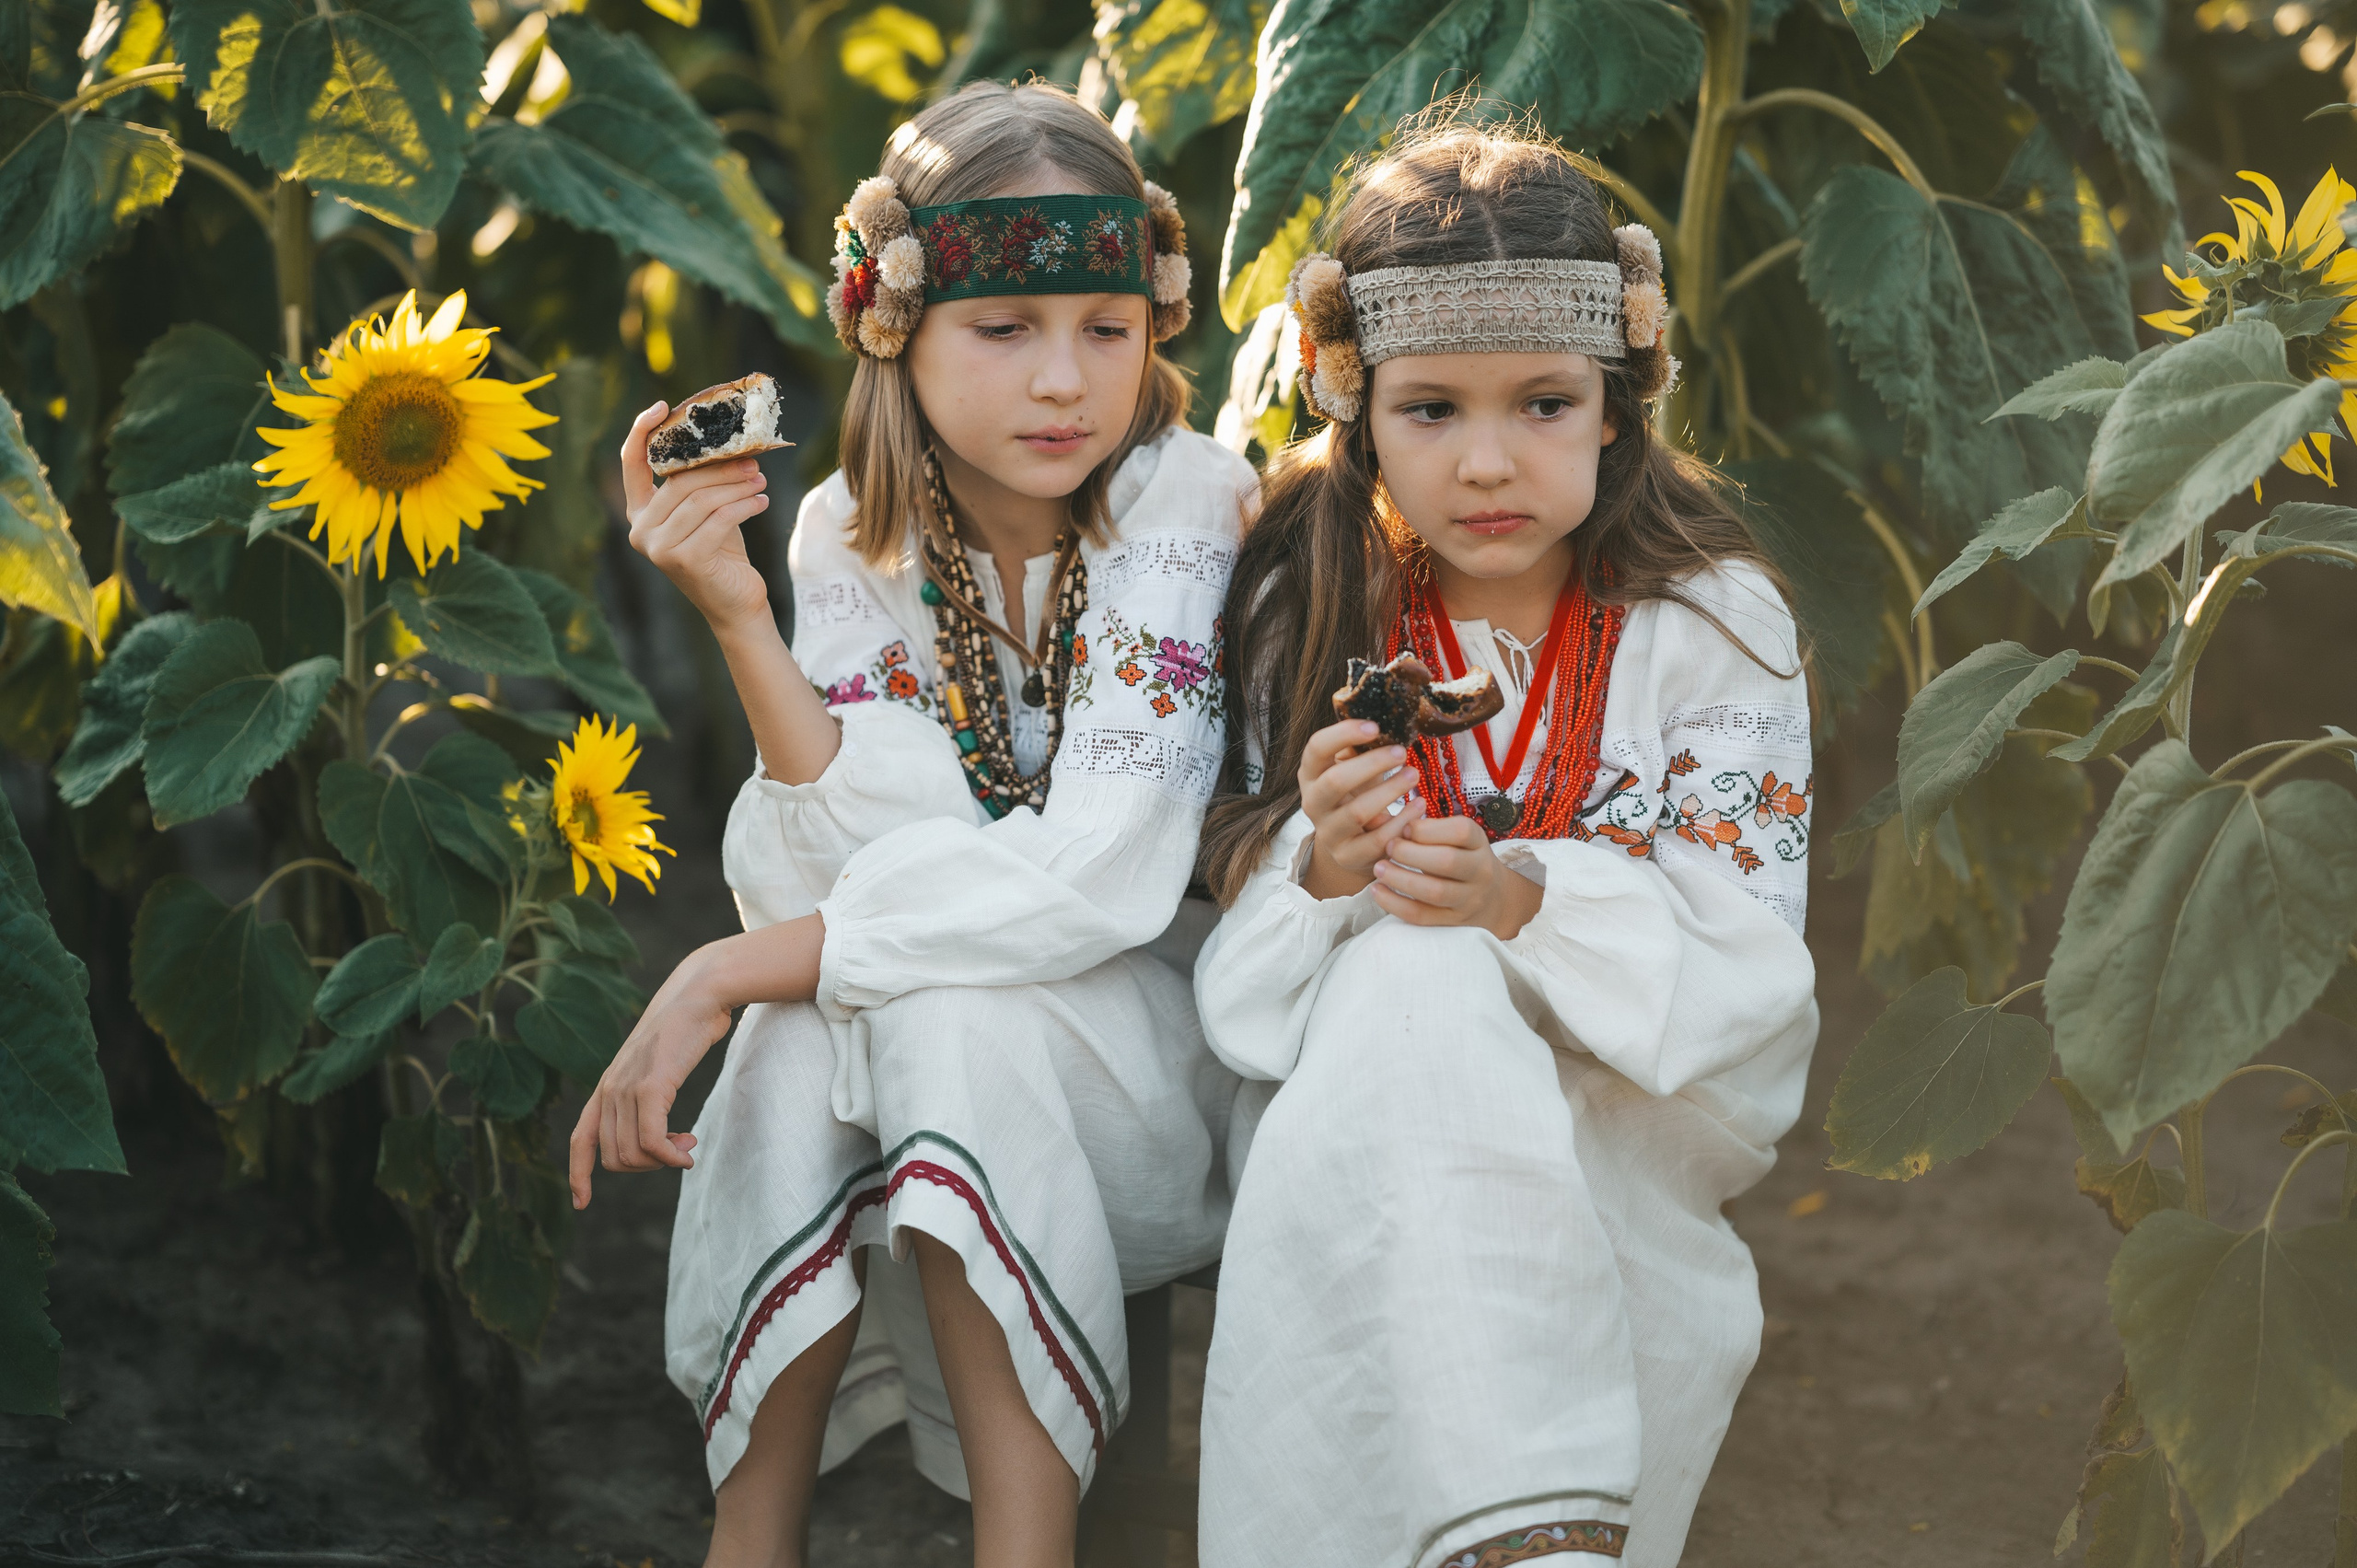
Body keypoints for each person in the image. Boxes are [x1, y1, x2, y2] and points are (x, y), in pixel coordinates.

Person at [567, 81, 1254, 1568]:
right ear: (897, 327)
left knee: (880, 1006)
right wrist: (742, 621)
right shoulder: (851, 531)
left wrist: (712, 971)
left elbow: (1103, 874)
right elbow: (848, 863)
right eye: (1006, 332)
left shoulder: (1185, 499)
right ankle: (753, 1541)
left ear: (1156, 325)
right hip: (968, 1023)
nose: (1067, 381)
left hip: (1173, 1054)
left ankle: (1024, 1546)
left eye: (1109, 328)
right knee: (830, 1021)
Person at [1192, 118, 1820, 1568]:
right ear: (1355, 407)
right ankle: (1531, 1537)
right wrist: (1324, 872)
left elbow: (1751, 970)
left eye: (1543, 403)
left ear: (1617, 398)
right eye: (1432, 412)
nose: (1489, 465)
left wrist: (1524, 900)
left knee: (1436, 980)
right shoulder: (1312, 597)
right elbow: (1252, 994)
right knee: (1413, 984)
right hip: (1355, 1098)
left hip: (1635, 1091)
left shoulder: (1715, 618)